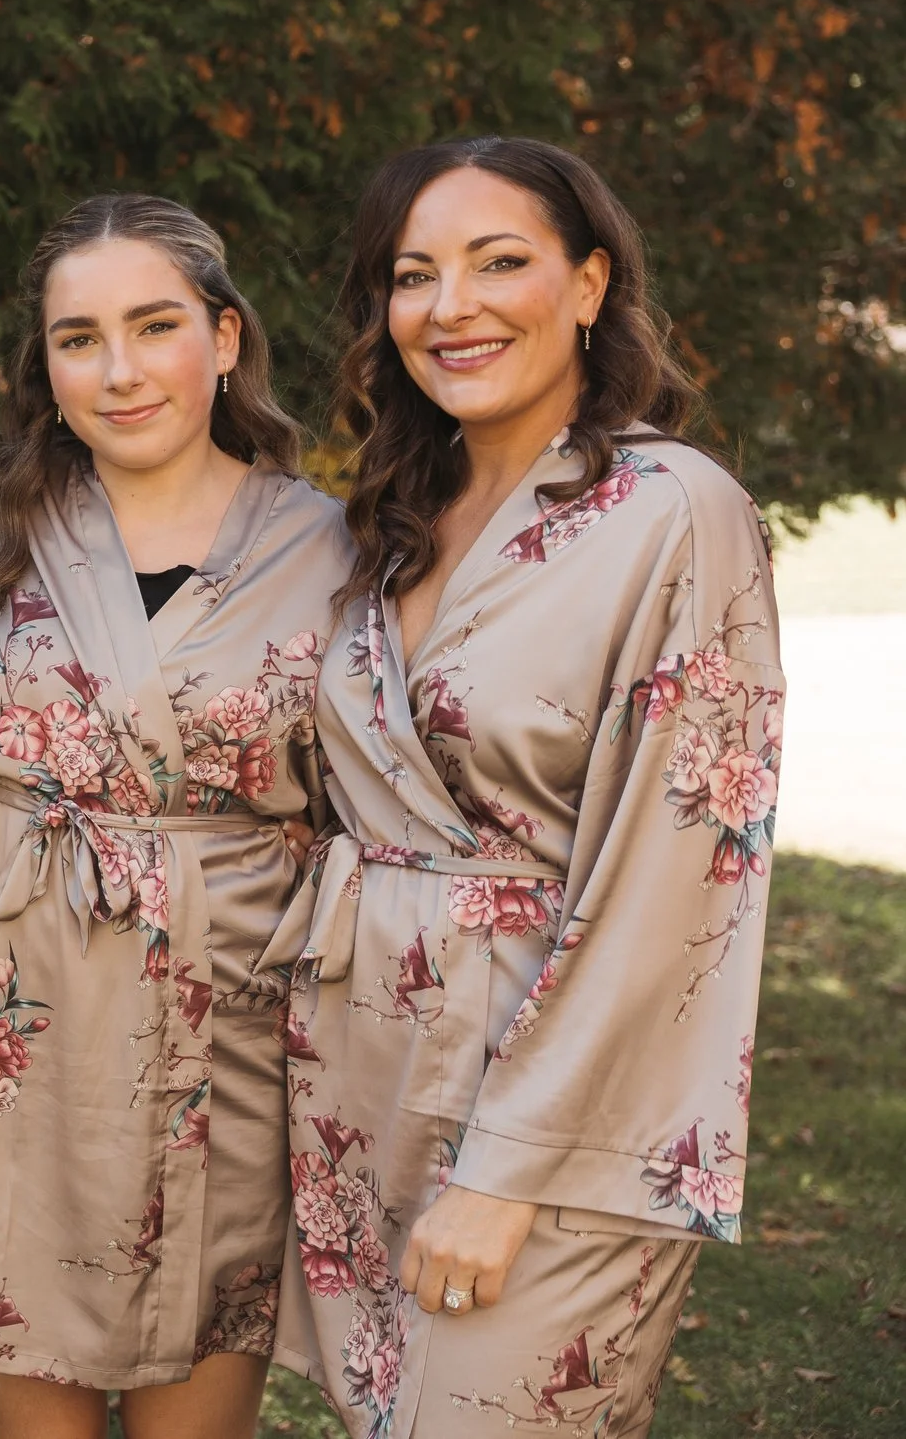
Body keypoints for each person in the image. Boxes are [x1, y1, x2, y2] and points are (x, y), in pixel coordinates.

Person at [273, 138, 780, 1439]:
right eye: (414, 274)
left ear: (592, 282)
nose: (454, 306)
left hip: (556, 1098)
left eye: (500, 262)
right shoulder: (396, 510)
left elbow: (679, 882)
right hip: (366, 1077)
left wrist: (510, 1167)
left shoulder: (671, 509)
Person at [0, 196, 351, 1438]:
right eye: (79, 338)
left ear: (226, 338)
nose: (119, 368)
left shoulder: (332, 547)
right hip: (16, 1013)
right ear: (47, 364)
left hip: (224, 1011)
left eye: (154, 325)